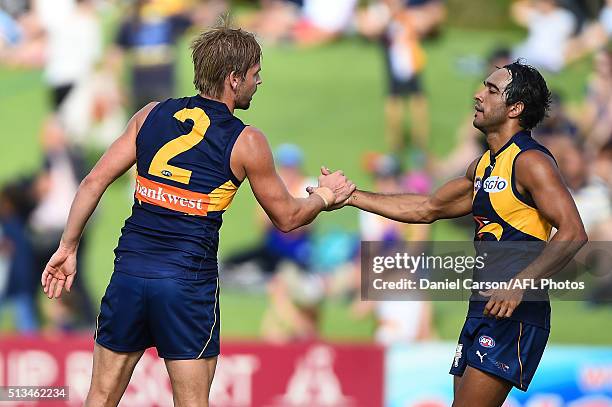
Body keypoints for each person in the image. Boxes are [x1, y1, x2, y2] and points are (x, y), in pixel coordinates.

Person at [41, 25, 354, 407]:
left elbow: (92, 182)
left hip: (130, 273)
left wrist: (68, 246)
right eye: (255, 74)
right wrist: (324, 195)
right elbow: (287, 217)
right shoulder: (247, 140)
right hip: (186, 286)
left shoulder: (150, 114)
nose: (259, 81)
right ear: (233, 79)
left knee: (101, 396)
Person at [321, 61, 587, 406]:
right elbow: (427, 208)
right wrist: (351, 196)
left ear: (515, 108)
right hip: (483, 307)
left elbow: (574, 231)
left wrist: (519, 283)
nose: (478, 95)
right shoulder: (484, 165)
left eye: (491, 91)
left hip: (514, 310)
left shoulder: (530, 162)